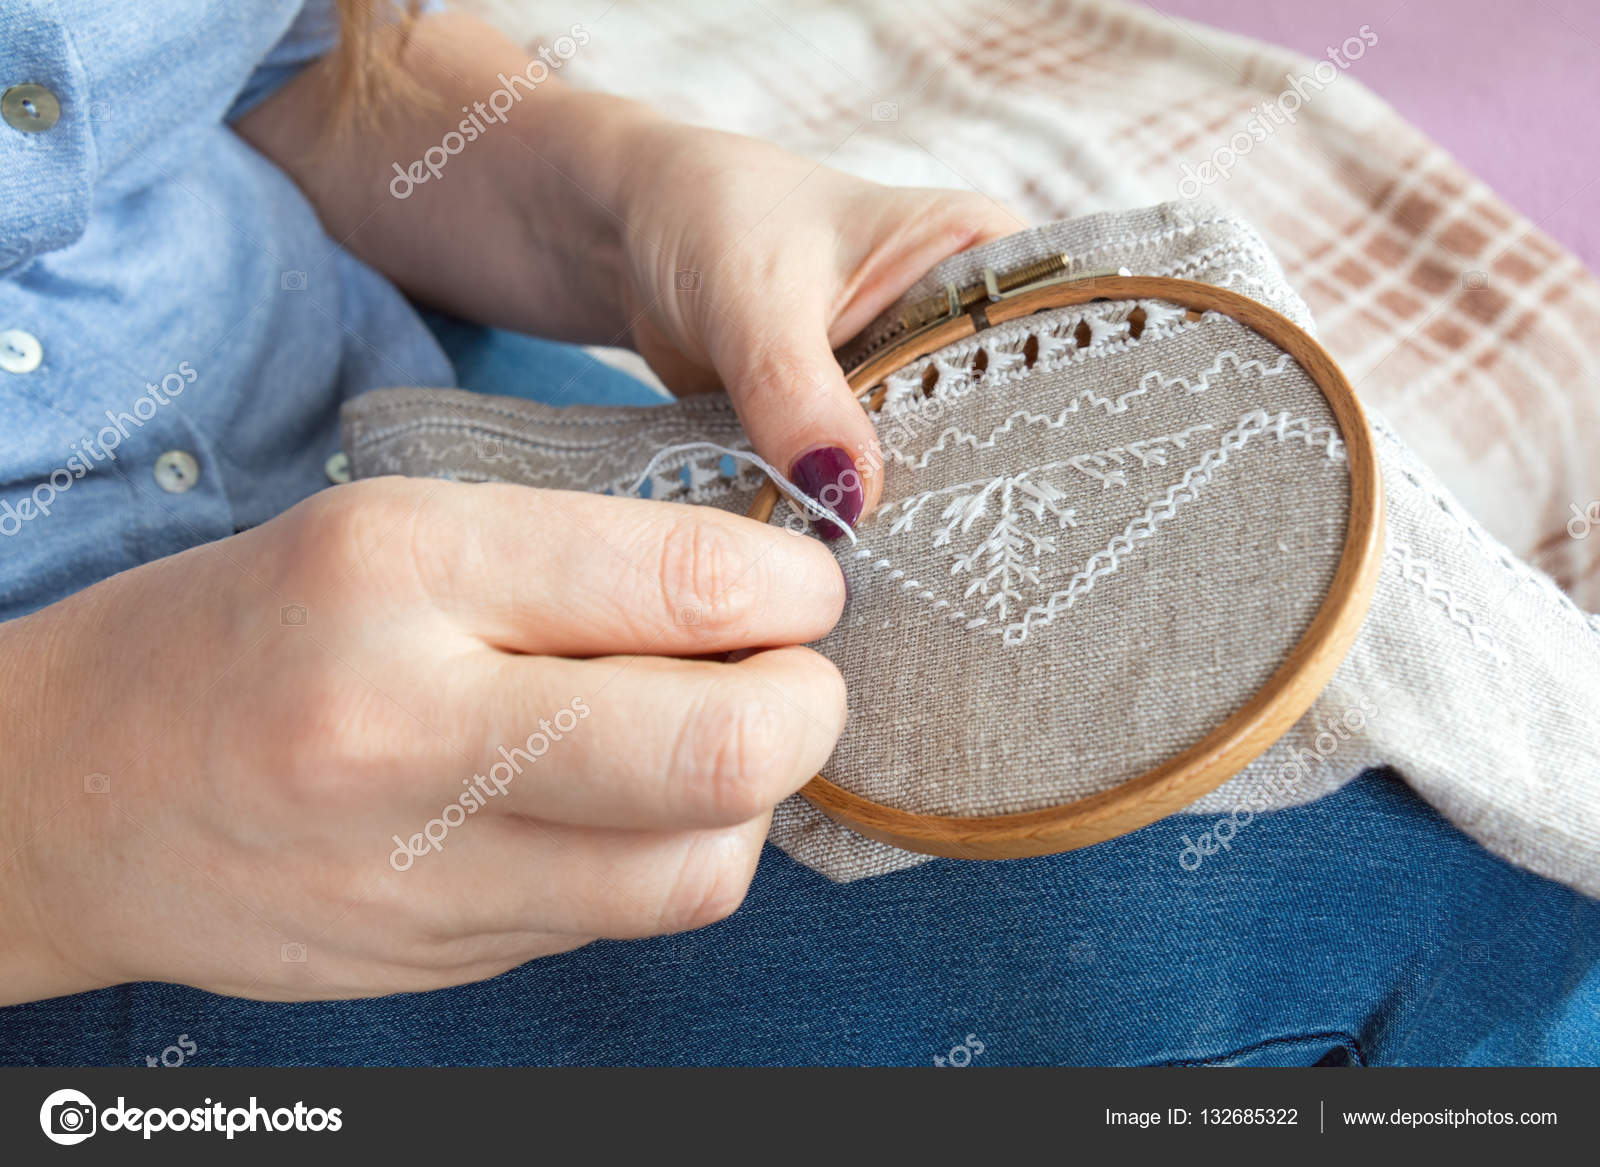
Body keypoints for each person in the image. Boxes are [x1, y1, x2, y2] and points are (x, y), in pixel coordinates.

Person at [2, 1, 1595, 1066]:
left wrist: (622, 195)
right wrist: (63, 806)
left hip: (413, 396)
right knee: (1410, 892)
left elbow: (286, 68)